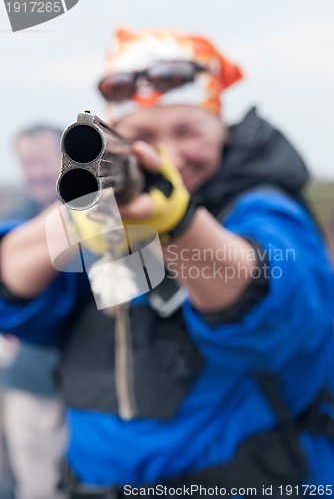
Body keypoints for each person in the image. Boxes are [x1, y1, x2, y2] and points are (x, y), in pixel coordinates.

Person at [0, 28, 334, 498]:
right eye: (145, 136)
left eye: (186, 132)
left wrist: (177, 222)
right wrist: (77, 214)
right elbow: (13, 283)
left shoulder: (264, 208)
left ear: (222, 129)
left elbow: (275, 314)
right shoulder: (103, 215)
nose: (170, 155)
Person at [0, 125, 67, 499]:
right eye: (28, 163)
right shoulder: (13, 228)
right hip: (30, 386)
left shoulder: (106, 220)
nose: (36, 172)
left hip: (94, 389)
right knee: (39, 487)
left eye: (44, 160)